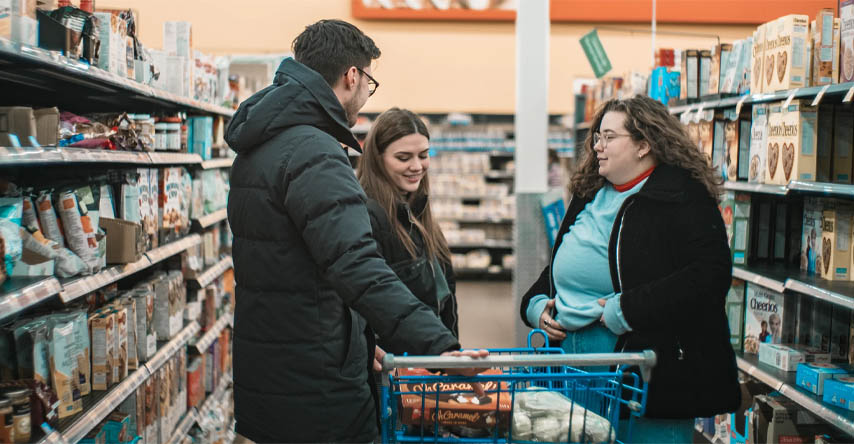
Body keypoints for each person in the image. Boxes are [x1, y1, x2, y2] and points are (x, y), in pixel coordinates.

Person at [226, 20, 485, 443]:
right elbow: (357, 265)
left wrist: (362, 341)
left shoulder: (262, 143)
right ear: (353, 76)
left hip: (273, 369)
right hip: (319, 385)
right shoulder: (315, 151)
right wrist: (442, 349)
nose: (367, 94)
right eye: (369, 82)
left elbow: (297, 268)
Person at [519, 96, 740, 443]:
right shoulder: (591, 193)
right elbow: (564, 262)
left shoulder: (681, 197)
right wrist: (535, 303)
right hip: (572, 368)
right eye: (596, 137)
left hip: (645, 373)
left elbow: (708, 276)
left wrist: (627, 309)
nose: (598, 147)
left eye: (609, 137)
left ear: (643, 144)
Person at [357, 108, 459, 353]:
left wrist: (450, 351)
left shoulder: (419, 211)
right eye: (403, 158)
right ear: (377, 158)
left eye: (424, 155)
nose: (417, 166)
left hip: (430, 359)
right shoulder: (368, 217)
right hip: (397, 365)